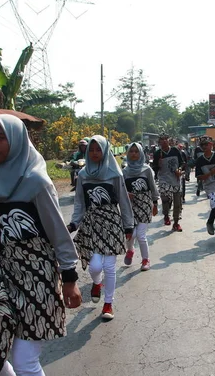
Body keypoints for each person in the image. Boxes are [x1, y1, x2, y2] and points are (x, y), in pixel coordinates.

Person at [0, 114, 82, 375]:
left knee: (24, 360)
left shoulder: (36, 182)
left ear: (17, 141)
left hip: (37, 277)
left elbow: (58, 233)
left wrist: (70, 279)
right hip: (2, 275)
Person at [67, 135, 134, 320]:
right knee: (95, 266)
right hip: (92, 223)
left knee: (110, 266)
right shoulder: (82, 175)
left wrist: (128, 225)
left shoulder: (114, 173)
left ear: (105, 151)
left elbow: (123, 200)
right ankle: (97, 283)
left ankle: (108, 304)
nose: (95, 153)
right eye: (92, 150)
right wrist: (74, 223)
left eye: (99, 149)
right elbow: (80, 203)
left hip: (112, 221)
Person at [122, 142, 159, 271]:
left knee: (141, 235)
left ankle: (145, 260)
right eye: (131, 151)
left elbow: (153, 187)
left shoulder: (147, 169)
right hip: (130, 206)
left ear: (141, 153)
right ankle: (130, 250)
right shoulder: (124, 171)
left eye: (136, 151)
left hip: (145, 204)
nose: (134, 154)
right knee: (131, 234)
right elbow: (121, 189)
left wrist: (155, 203)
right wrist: (126, 194)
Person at [152, 133, 184, 231]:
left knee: (177, 202)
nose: (165, 141)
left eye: (166, 138)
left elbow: (182, 163)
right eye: (162, 139)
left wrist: (179, 170)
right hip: (164, 179)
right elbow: (154, 168)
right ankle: (166, 215)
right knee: (165, 197)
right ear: (159, 142)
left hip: (175, 179)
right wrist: (158, 164)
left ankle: (176, 222)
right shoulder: (157, 153)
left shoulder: (175, 150)